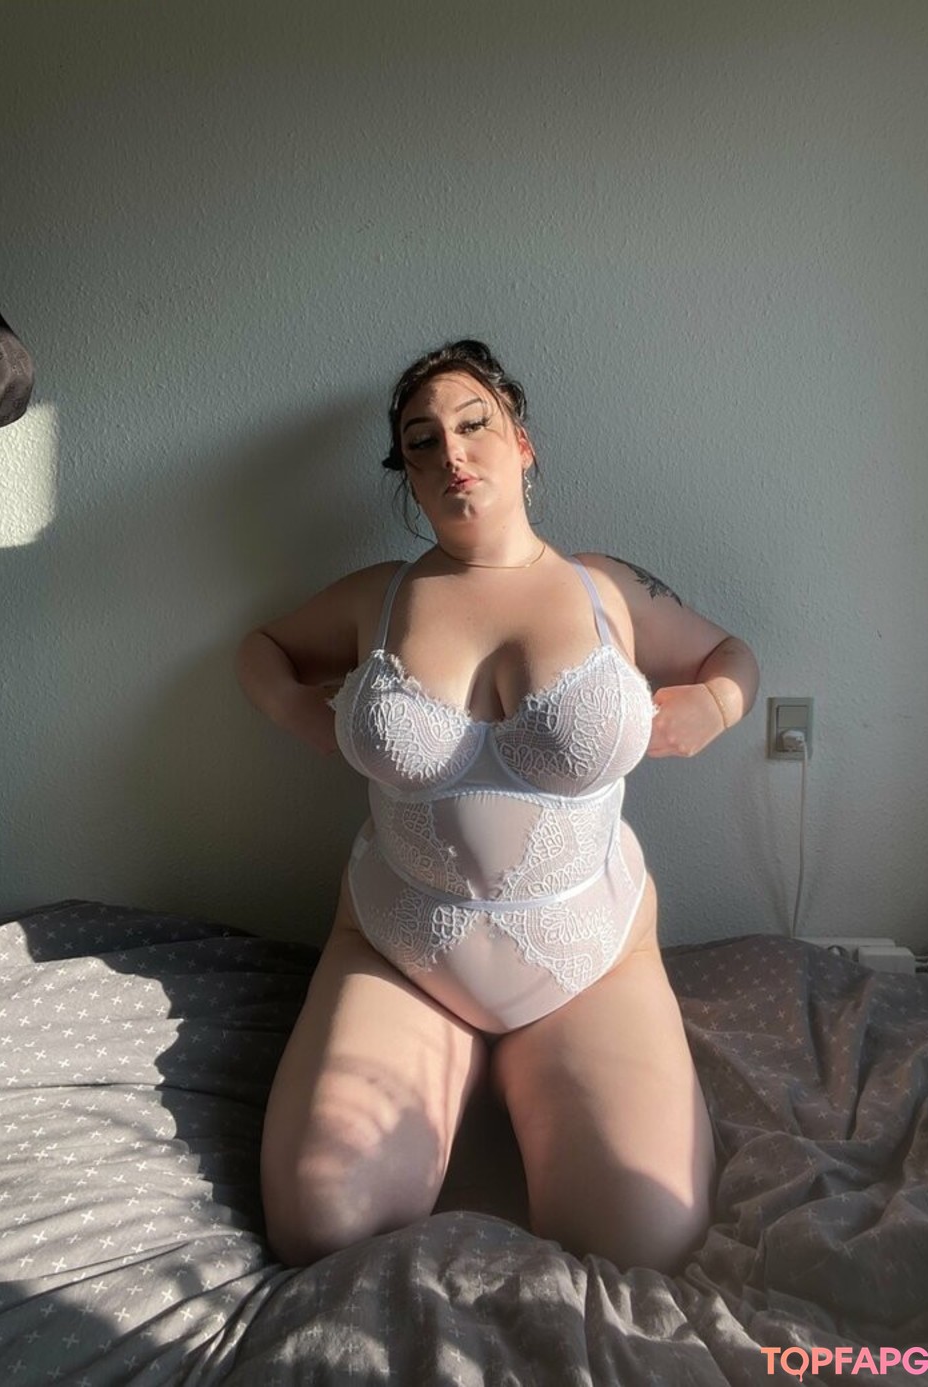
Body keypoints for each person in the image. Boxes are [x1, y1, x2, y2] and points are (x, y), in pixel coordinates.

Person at [236, 339, 759, 1273]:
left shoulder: (606, 588)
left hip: (588, 960)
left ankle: (515, 1069)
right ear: (408, 475)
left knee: (649, 1237)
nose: (451, 452)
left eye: (473, 424)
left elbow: (734, 656)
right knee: (319, 1224)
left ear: (522, 444)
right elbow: (262, 649)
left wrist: (715, 707)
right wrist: (296, 712)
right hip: (401, 953)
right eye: (422, 441)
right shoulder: (379, 597)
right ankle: (462, 1064)